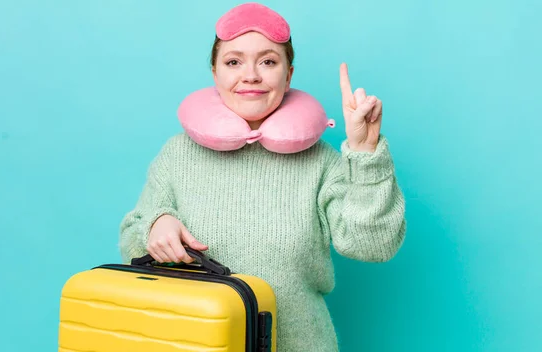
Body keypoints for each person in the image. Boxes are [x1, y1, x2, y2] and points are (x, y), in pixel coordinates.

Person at [118, 2, 406, 351]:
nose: (251, 75)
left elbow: (372, 245)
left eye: (268, 61)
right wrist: (156, 224)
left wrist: (364, 152)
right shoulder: (178, 154)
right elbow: (132, 240)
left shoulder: (322, 163)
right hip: (195, 343)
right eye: (233, 61)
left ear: (288, 75)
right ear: (214, 73)